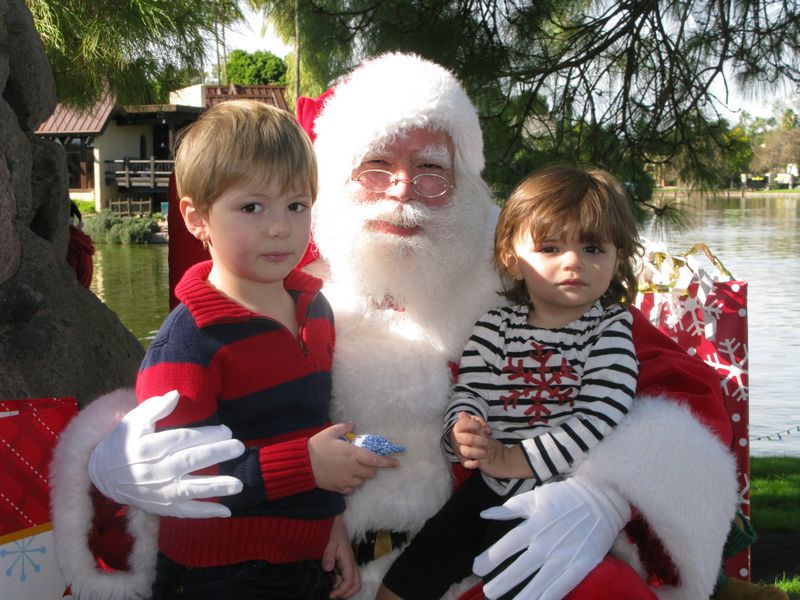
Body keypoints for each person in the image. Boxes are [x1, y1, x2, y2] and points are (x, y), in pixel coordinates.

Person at [51, 53, 740, 600]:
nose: (404, 191)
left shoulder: (519, 289)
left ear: (469, 186)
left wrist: (607, 491)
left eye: (431, 170)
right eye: (376, 166)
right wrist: (116, 467)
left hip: (477, 568)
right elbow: (185, 398)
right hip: (311, 574)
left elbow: (681, 387)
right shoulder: (286, 295)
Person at [112, 100, 399, 600]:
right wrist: (306, 467)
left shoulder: (316, 312)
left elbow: (309, 430)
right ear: (197, 218)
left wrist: (328, 520)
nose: (280, 227)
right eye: (252, 207)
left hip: (306, 561)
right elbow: (177, 475)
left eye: (296, 205)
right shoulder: (191, 339)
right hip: (215, 573)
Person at [377, 164, 642, 600]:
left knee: (526, 582)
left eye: (593, 247)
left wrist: (517, 459)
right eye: (551, 247)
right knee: (418, 566)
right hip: (489, 485)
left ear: (617, 258)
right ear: (511, 260)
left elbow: (601, 415)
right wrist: (463, 432)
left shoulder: (610, 329)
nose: (574, 262)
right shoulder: (495, 327)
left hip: (562, 500)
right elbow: (470, 393)